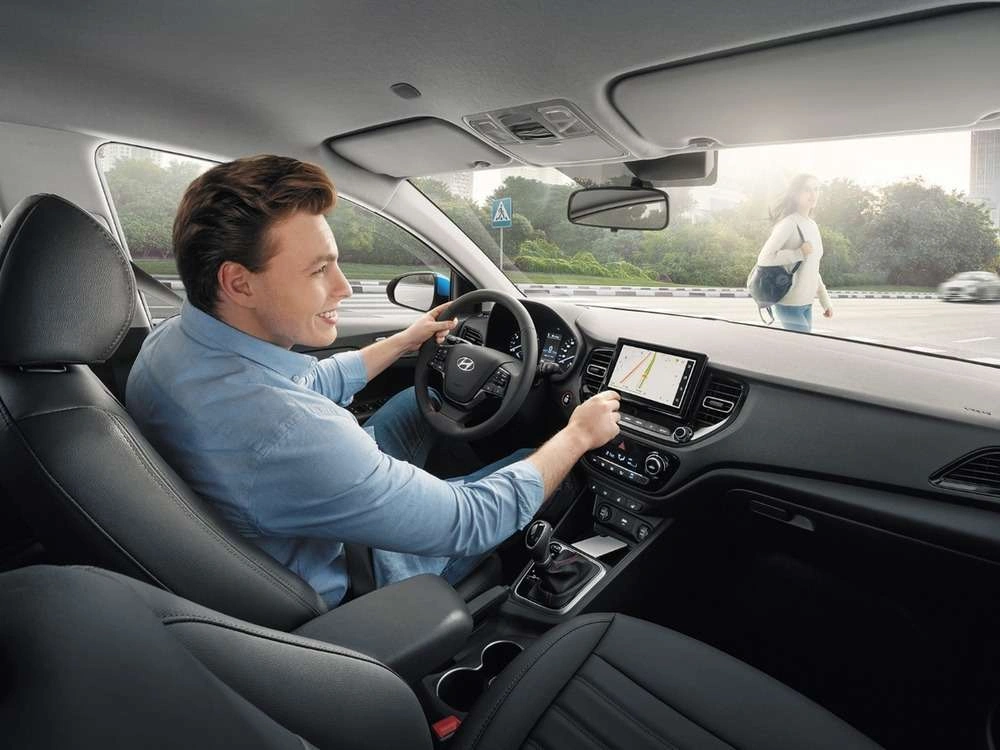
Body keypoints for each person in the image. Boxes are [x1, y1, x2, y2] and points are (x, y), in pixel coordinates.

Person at [126, 155, 621, 607]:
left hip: (295, 508)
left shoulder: (169, 344)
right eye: (319, 270)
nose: (342, 287)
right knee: (545, 463)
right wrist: (577, 435)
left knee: (415, 400)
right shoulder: (289, 432)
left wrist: (404, 342)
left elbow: (306, 384)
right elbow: (468, 521)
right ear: (239, 282)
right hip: (364, 572)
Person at [755, 173, 833, 332]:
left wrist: (825, 301)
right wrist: (798, 253)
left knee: (801, 347)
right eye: (807, 189)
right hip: (789, 303)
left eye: (816, 189)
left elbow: (812, 268)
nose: (813, 194)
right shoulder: (788, 223)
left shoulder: (812, 226)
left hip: (807, 303)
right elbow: (764, 258)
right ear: (795, 194)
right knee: (803, 347)